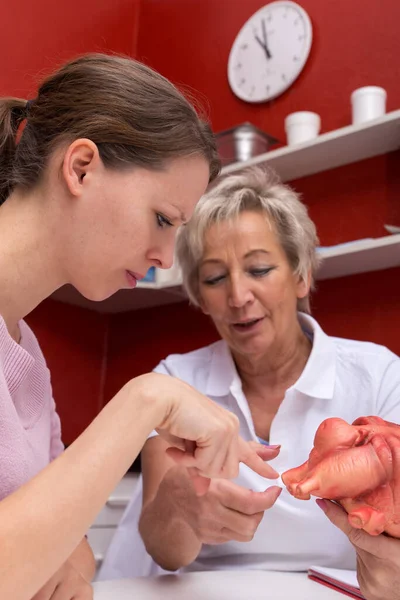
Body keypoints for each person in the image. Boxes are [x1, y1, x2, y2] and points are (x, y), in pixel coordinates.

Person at [0, 54, 275, 600]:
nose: (166, 257)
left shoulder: (24, 353)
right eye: (161, 219)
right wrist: (146, 400)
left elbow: (72, 547)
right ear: (81, 167)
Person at [100, 167, 400, 593]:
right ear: (200, 297)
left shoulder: (381, 377)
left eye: (258, 270)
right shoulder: (174, 380)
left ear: (301, 276)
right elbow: (164, 550)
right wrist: (180, 506)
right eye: (215, 278)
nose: (238, 297)